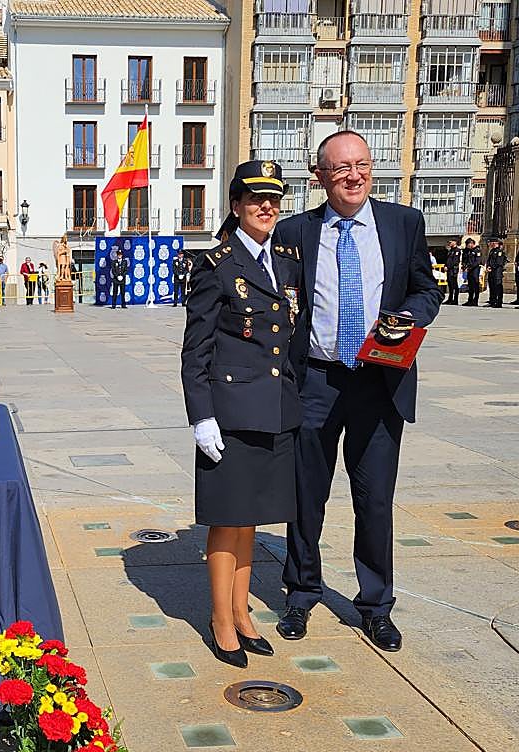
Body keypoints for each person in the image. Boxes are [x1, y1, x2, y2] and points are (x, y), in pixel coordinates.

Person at [272, 130, 442, 652]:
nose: (354, 175)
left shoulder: (403, 223)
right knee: (306, 498)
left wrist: (410, 316)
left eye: (362, 164)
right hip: (317, 381)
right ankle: (300, 594)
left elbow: (425, 288)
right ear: (319, 176)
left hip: (378, 381)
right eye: (341, 167)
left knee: (374, 501)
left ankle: (375, 606)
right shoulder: (296, 231)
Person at [181, 160, 302, 668]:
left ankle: (243, 612)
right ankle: (221, 619)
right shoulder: (216, 265)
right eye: (255, 199)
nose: (267, 207)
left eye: (273, 199)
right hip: (230, 412)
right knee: (227, 518)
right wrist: (201, 416)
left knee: (251, 518)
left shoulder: (287, 261)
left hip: (274, 410)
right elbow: (196, 350)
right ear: (236, 205)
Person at [486, 237, 507, 309]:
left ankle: (499, 302)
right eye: (492, 243)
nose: (493, 244)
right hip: (491, 271)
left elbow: (499, 262)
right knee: (491, 286)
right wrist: (488, 266)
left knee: (498, 287)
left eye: (494, 243)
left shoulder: (500, 252)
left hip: (497, 272)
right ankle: (492, 301)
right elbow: (489, 260)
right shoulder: (492, 251)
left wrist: (491, 267)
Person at [462, 237, 482, 307]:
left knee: (475, 285)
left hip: (475, 270)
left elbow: (477, 261)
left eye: (468, 245)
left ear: (471, 244)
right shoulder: (467, 251)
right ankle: (469, 300)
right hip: (469, 270)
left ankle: (475, 300)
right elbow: (464, 259)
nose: (467, 246)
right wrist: (464, 266)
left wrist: (470, 267)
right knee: (470, 286)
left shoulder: (477, 250)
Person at [443, 239, 461, 305]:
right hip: (449, 270)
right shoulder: (450, 250)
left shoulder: (457, 251)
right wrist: (445, 265)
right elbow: (447, 260)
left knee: (455, 285)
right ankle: (450, 299)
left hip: (453, 270)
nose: (449, 243)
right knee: (450, 285)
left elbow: (455, 261)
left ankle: (455, 300)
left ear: (455, 242)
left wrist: (448, 267)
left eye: (450, 242)